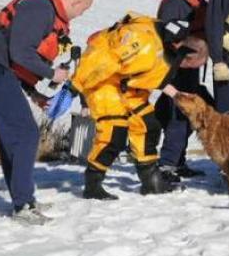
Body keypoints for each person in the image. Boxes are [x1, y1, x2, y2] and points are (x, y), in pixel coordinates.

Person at [66, 12, 208, 199]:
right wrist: (77, 87)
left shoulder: (166, 45)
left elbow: (153, 77)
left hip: (127, 87)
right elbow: (101, 63)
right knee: (114, 133)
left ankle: (150, 181)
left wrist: (176, 95)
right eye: (193, 66)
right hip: (104, 84)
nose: (191, 71)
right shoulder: (144, 45)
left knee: (148, 125)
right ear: (187, 56)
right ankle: (93, 183)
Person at [0, 0, 93, 225]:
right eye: (83, 9)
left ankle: (23, 200)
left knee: (12, 137)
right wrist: (52, 74)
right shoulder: (40, 8)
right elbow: (20, 52)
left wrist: (33, 92)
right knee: (26, 134)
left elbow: (12, 55)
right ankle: (23, 205)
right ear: (76, 1)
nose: (80, 15)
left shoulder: (42, 8)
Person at [153, 0, 211, 183]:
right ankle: (167, 164)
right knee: (179, 113)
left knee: (186, 113)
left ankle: (178, 161)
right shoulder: (175, 2)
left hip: (190, 65)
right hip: (177, 66)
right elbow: (169, 34)